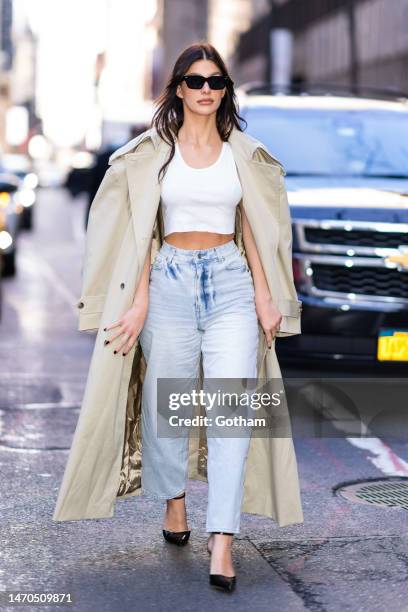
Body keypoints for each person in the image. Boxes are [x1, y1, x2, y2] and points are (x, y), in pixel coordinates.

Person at [103, 42, 285, 593]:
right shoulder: (153, 154)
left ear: (226, 91)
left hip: (230, 280)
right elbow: (142, 234)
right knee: (169, 406)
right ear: (178, 88)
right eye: (196, 80)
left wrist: (263, 293)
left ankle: (222, 541)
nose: (207, 90)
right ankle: (174, 502)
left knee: (232, 413)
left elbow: (252, 225)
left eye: (217, 82)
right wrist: (137, 301)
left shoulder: (243, 154)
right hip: (170, 284)